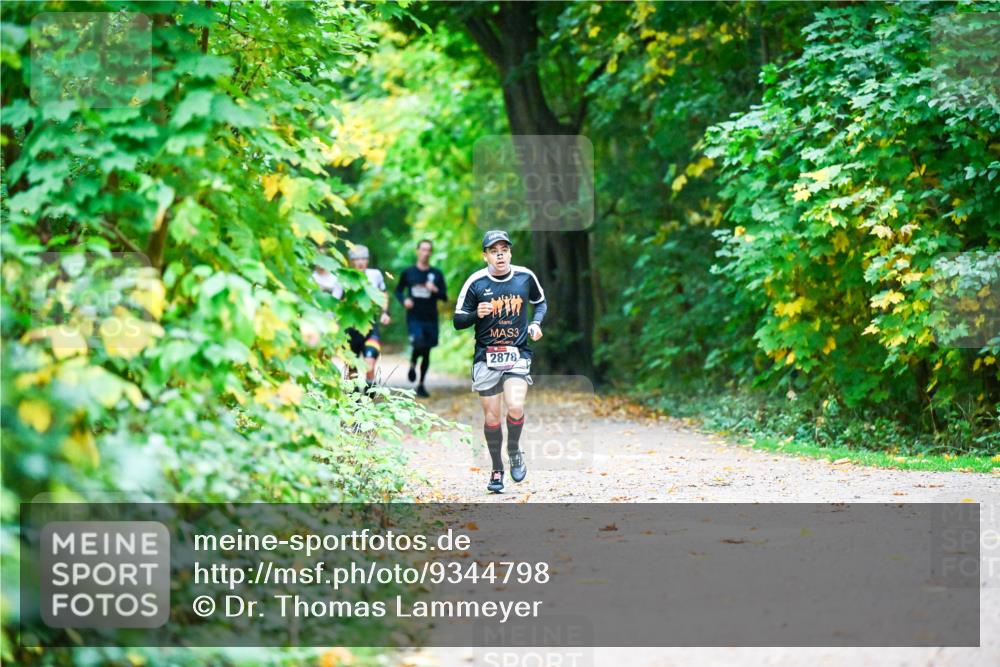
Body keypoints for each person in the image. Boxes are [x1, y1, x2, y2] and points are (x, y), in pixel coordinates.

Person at [453, 230, 547, 493]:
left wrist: (536, 323)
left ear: (510, 253)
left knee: (515, 406)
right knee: (492, 417)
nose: (500, 255)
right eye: (494, 251)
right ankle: (497, 467)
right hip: (486, 357)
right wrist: (475, 314)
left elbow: (540, 302)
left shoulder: (524, 277)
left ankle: (514, 450)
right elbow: (458, 320)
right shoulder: (475, 283)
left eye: (504, 250)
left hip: (517, 353)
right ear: (485, 256)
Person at [314, 244, 391, 391]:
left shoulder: (375, 275)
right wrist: (330, 323)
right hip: (349, 329)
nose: (361, 262)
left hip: (370, 325)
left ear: (368, 260)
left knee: (369, 363)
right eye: (357, 259)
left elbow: (383, 294)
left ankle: (370, 392)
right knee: (352, 369)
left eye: (364, 258)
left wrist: (385, 312)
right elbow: (335, 302)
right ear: (351, 261)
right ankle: (355, 403)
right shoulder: (343, 278)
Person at [394, 239, 448, 398]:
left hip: (430, 317)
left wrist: (435, 289)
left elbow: (444, 296)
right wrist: (404, 300)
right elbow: (398, 291)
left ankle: (421, 384)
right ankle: (412, 363)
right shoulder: (408, 272)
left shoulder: (436, 274)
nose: (425, 253)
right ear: (417, 251)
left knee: (426, 351)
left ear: (431, 253)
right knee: (418, 342)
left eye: (428, 250)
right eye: (422, 249)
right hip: (414, 317)